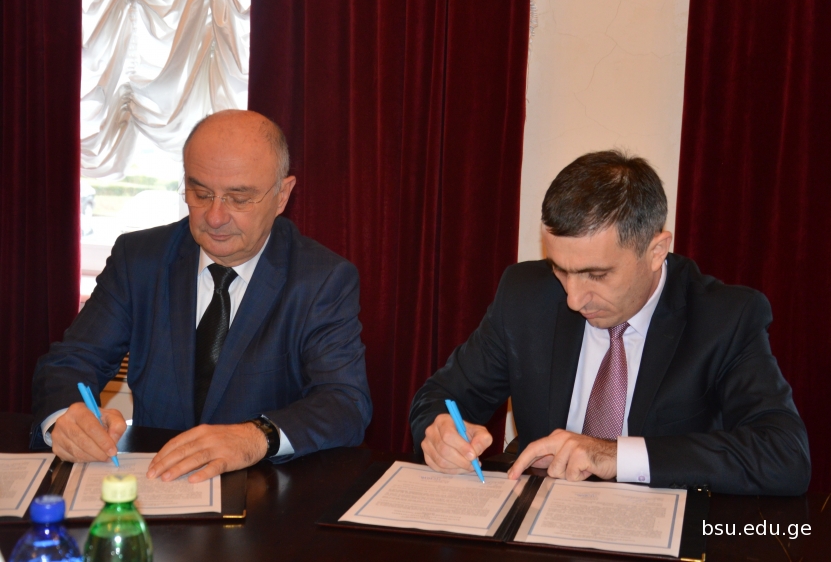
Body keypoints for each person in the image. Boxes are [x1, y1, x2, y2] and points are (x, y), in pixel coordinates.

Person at [410, 150, 810, 496]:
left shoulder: (725, 318)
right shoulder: (524, 296)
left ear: (656, 251)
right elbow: (440, 397)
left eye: (597, 275)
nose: (574, 298)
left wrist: (616, 455)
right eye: (560, 269)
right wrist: (441, 431)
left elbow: (785, 455)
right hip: (541, 527)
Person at [31, 110, 372, 483]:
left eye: (238, 198)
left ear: (282, 195)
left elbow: (345, 402)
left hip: (263, 491)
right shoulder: (140, 260)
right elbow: (71, 361)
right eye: (201, 193)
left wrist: (256, 436)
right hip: (155, 481)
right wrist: (67, 418)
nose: (215, 217)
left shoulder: (321, 279)